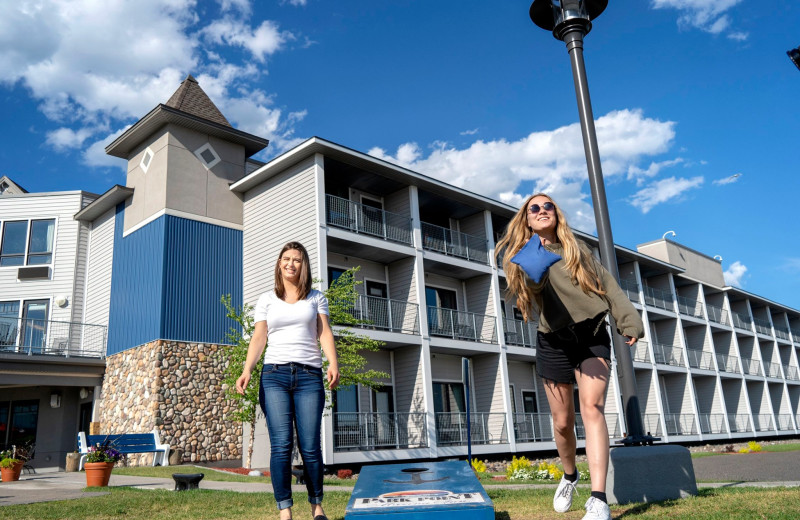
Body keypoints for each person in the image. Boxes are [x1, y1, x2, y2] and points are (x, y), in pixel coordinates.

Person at [496, 193, 643, 520]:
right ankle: (569, 476)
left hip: (591, 335)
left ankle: (598, 498)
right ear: (527, 219)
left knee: (592, 407)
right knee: (563, 423)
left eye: (548, 205)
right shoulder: (523, 256)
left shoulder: (578, 249)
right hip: (553, 339)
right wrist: (535, 270)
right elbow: (532, 300)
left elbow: (607, 284)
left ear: (556, 214)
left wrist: (628, 320)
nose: (542, 210)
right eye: (534, 208)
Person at [236, 241, 339, 520]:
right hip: (274, 375)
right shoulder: (267, 299)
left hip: (309, 376)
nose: (291, 263)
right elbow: (259, 338)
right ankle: (285, 511)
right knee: (281, 445)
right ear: (279, 263)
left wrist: (333, 363)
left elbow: (324, 333)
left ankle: (317, 507)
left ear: (303, 265)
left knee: (309, 446)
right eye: (286, 258)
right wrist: (247, 369)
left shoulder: (316, 297)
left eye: (296, 259)